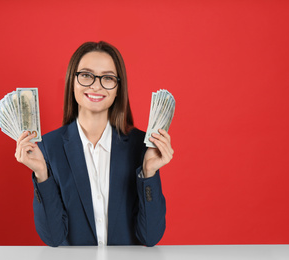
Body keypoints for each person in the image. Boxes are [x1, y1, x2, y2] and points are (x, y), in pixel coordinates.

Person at [15, 41, 174, 247]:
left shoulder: (142, 146)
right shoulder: (47, 147)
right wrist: (41, 174)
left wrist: (149, 173)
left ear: (118, 88)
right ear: (72, 82)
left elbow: (150, 237)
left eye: (107, 78)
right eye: (86, 75)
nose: (96, 85)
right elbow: (53, 238)